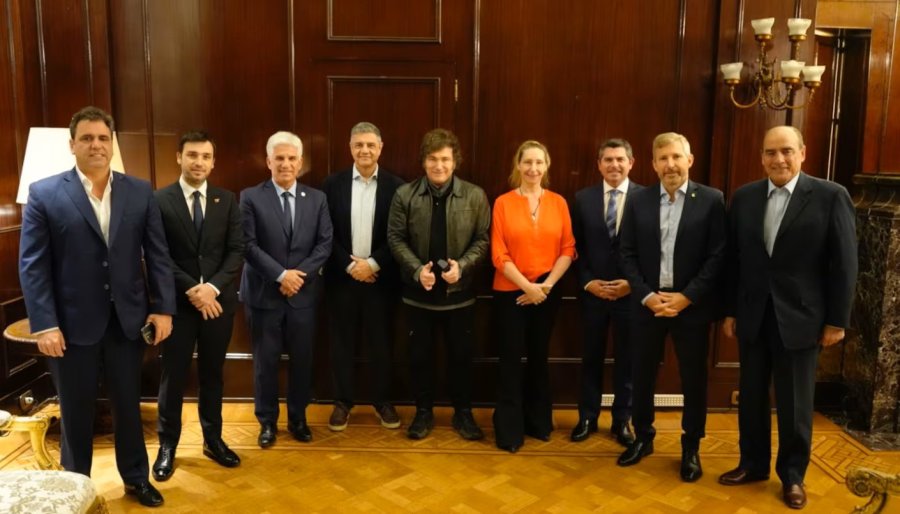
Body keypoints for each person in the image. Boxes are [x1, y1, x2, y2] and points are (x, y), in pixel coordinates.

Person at [18, 106, 175, 507]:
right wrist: (44, 324)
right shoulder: (44, 193)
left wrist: (163, 309)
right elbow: (33, 265)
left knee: (128, 406)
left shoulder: (140, 191)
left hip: (127, 322)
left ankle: (136, 479)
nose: (96, 145)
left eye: (103, 138)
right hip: (71, 328)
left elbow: (157, 256)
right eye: (87, 138)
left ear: (112, 143)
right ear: (72, 145)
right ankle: (76, 488)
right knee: (75, 413)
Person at [718, 126, 857, 510]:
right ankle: (752, 464)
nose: (778, 159)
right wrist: (729, 310)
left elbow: (844, 264)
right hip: (752, 315)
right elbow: (735, 261)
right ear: (761, 156)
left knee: (795, 404)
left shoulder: (830, 196)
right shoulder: (744, 197)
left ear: (803, 153)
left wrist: (836, 320)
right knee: (750, 398)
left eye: (786, 151)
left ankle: (793, 476)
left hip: (802, 318)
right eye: (770, 152)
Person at [616, 132, 725, 483]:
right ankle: (643, 437)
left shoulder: (711, 200)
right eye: (662, 158)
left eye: (676, 157)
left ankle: (690, 446)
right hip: (647, 304)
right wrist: (647, 296)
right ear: (652, 164)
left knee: (693, 379)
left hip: (690, 307)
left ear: (689, 160)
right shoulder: (638, 200)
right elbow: (627, 253)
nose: (670, 164)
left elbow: (717, 255)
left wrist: (687, 296)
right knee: (642, 375)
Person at [387, 128, 490, 441]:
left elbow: (483, 239)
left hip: (460, 297)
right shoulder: (404, 195)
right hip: (418, 296)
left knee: (461, 358)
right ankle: (422, 413)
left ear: (455, 161)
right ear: (423, 161)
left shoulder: (475, 195)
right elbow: (395, 237)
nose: (439, 165)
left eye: (445, 159)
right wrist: (418, 270)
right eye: (433, 159)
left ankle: (463, 414)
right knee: (420, 359)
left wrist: (465, 266)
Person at [152, 131, 244, 481]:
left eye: (206, 156)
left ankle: (213, 440)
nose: (199, 162)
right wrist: (193, 288)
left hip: (217, 305)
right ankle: (167, 446)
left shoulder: (227, 200)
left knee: (212, 375)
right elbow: (158, 255)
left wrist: (213, 288)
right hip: (177, 305)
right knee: (173, 377)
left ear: (213, 161)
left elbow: (237, 250)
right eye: (192, 155)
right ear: (179, 157)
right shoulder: (160, 200)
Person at [240, 131, 333, 447]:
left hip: (303, 296)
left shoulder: (317, 199)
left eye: (292, 158)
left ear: (301, 162)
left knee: (302, 360)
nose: (285, 164)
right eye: (279, 158)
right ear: (268, 161)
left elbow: (325, 244)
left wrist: (298, 276)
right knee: (265, 364)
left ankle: (298, 419)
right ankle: (267, 423)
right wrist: (281, 275)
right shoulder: (250, 197)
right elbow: (248, 245)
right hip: (264, 295)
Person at [490, 141, 575, 453]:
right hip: (510, 292)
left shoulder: (559, 203)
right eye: (527, 162)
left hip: (548, 293)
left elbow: (568, 249)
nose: (533, 169)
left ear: (547, 164)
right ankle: (509, 431)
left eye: (539, 162)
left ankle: (538, 423)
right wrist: (527, 287)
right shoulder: (502, 203)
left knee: (539, 358)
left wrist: (545, 287)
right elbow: (498, 253)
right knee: (511, 360)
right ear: (518, 165)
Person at [321, 122, 405, 432]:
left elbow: (400, 235)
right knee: (341, 343)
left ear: (381, 147)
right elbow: (324, 232)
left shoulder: (398, 187)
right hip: (341, 279)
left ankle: (382, 402)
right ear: (350, 147)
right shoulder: (332, 185)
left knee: (381, 343)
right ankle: (342, 402)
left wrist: (372, 264)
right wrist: (349, 265)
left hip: (380, 281)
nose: (365, 150)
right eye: (359, 145)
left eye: (370, 144)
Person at [571, 138, 643, 446]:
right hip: (593, 295)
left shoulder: (646, 198)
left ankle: (621, 421)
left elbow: (650, 250)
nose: (614, 165)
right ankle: (587, 417)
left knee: (628, 360)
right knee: (591, 357)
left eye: (620, 159)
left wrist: (632, 283)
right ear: (599, 164)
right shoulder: (582, 198)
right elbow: (574, 247)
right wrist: (589, 282)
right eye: (608, 160)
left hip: (631, 295)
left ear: (631, 163)